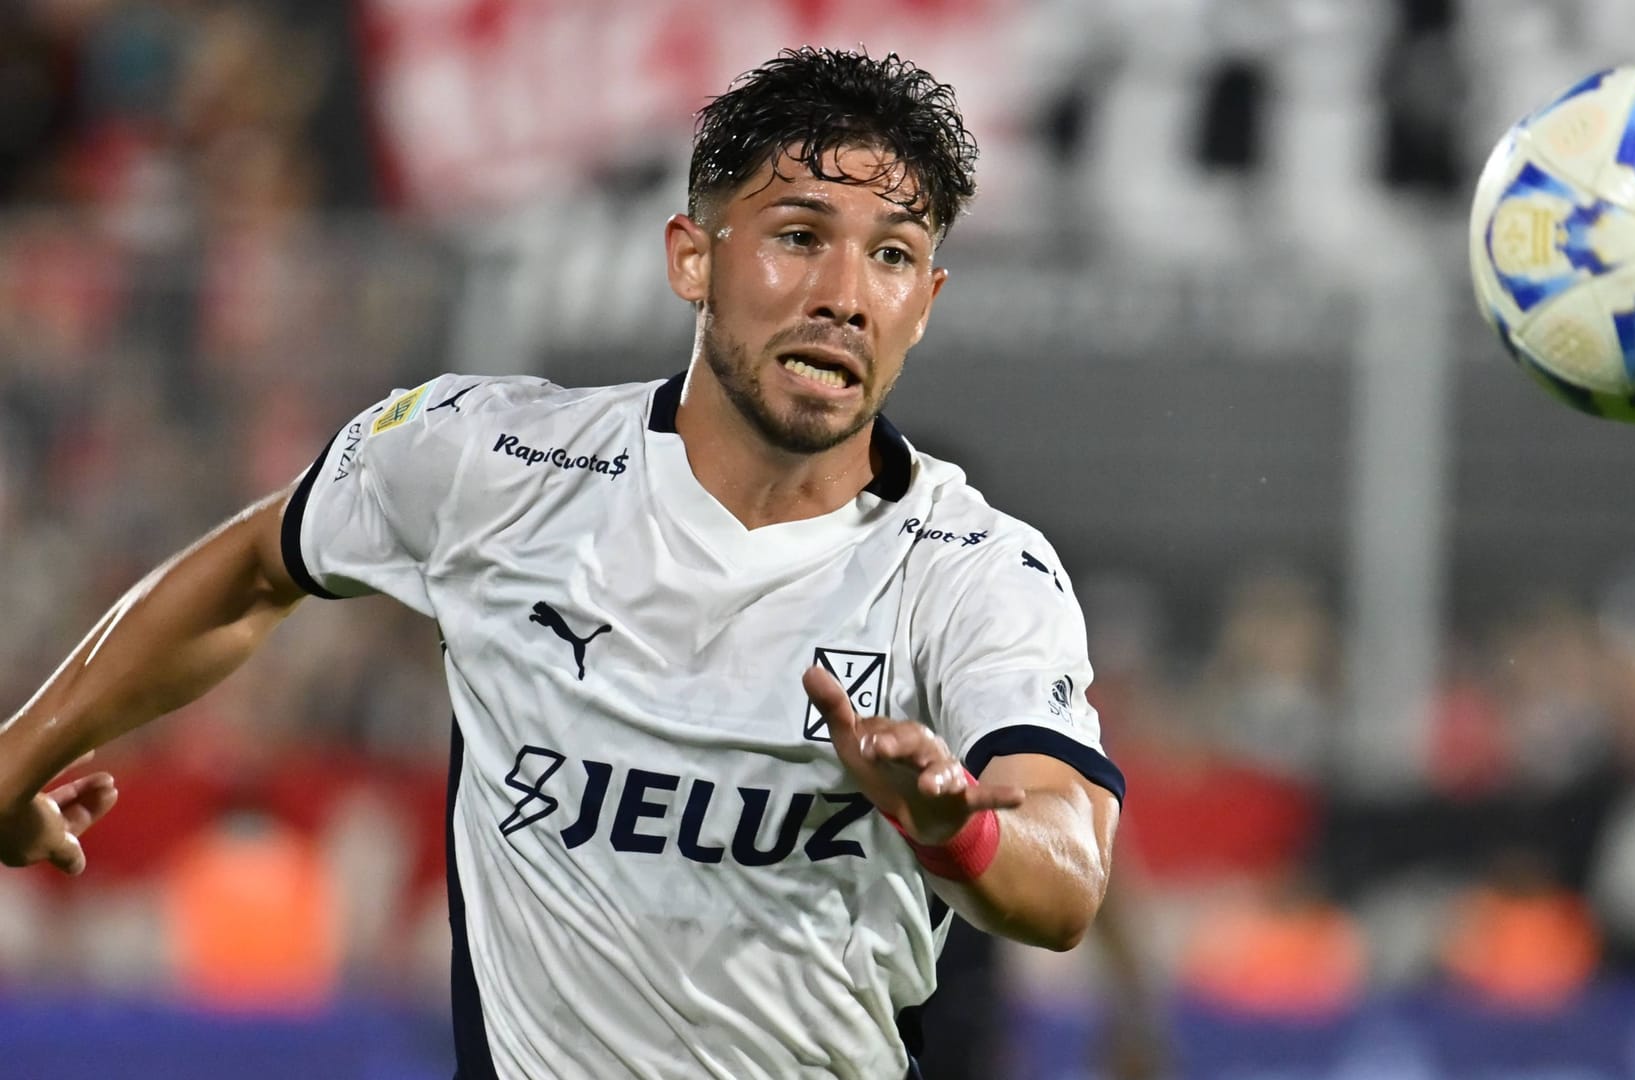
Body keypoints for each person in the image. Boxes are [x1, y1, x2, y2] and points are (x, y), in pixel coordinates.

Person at [0, 47, 1125, 1080]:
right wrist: (14, 766)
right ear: (693, 258)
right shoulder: (493, 462)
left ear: (924, 305)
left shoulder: (976, 570)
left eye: (891, 257)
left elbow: (1068, 878)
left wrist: (954, 826)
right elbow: (257, 564)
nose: (844, 295)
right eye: (798, 236)